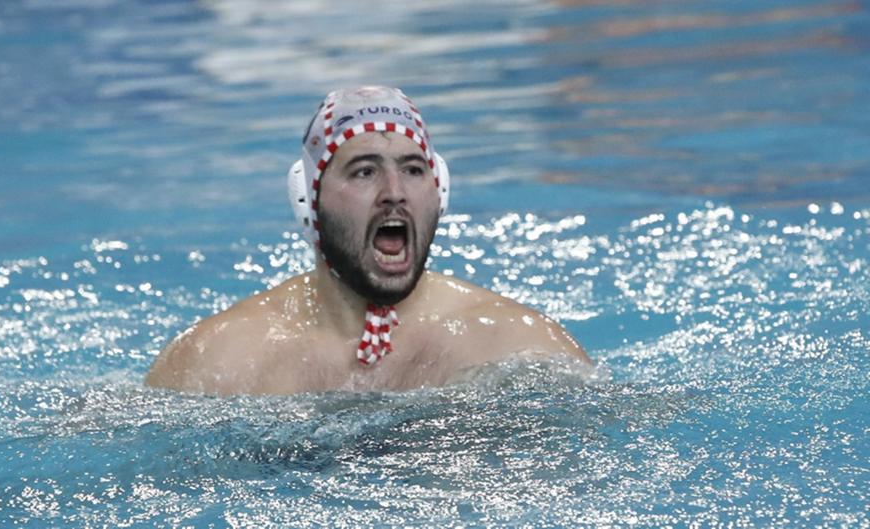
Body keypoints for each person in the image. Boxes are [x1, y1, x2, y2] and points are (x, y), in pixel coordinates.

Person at [145, 86, 591, 395]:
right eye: (364, 171)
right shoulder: (219, 360)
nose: (394, 192)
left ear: (440, 192)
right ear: (309, 201)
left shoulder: (521, 345)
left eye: (413, 170)